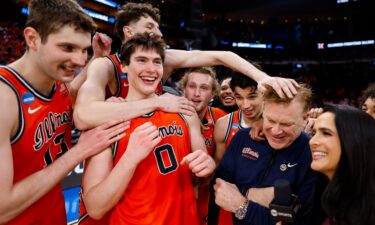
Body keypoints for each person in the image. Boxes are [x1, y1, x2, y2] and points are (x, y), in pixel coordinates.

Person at [73, 2, 300, 131]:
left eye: (159, 28)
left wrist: (262, 78)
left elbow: (222, 55)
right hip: (116, 154)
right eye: (150, 26)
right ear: (128, 32)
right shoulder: (105, 65)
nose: (160, 33)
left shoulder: (166, 58)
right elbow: (82, 116)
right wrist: (157, 102)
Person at [0, 0, 128, 224]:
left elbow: (71, 89)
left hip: (54, 215)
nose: (79, 60)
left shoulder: (56, 83)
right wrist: (79, 152)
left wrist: (97, 58)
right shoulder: (5, 97)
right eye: (67, 48)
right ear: (32, 38)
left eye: (83, 50)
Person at [81, 33, 216, 225]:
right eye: (142, 60)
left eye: (157, 62)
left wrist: (207, 168)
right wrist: (130, 158)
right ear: (124, 66)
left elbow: (200, 177)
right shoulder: (108, 119)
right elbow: (95, 207)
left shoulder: (184, 110)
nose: (151, 69)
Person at [209, 85, 317, 225]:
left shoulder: (311, 154)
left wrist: (241, 204)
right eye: (271, 120)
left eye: (286, 124)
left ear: (305, 118)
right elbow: (217, 189)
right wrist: (250, 194)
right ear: (263, 113)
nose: (276, 131)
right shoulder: (243, 138)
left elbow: (300, 221)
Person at [309, 104, 375, 225]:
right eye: (314, 133)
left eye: (326, 133)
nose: (312, 141)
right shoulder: (325, 192)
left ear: (354, 141)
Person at [179, 67, 227, 224]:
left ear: (213, 93)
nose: (196, 93)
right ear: (184, 89)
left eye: (204, 88)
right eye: (192, 86)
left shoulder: (222, 119)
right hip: (175, 197)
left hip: (207, 198)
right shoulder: (167, 117)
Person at [214, 72, 263, 164]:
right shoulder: (223, 125)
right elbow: (220, 166)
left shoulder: (277, 122)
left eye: (252, 97)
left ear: (264, 94)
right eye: (239, 97)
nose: (245, 105)